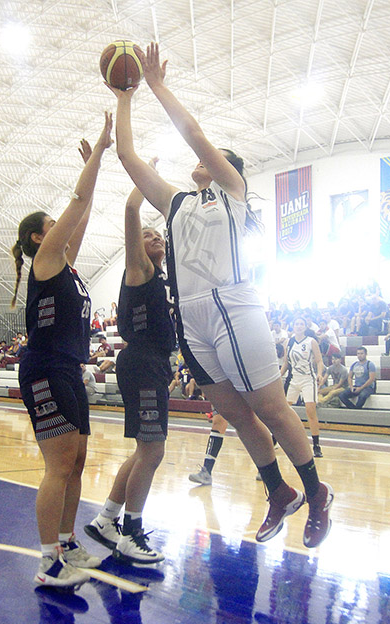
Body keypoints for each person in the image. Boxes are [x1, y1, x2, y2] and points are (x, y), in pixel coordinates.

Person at [111, 43, 332, 549]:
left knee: (273, 408)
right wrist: (125, 94)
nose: (198, 161)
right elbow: (126, 157)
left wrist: (158, 87)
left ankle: (317, 493)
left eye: (207, 158)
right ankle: (279, 491)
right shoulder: (175, 202)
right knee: (234, 413)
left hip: (233, 304)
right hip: (191, 318)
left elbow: (194, 133)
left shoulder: (230, 190)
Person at [13, 112, 112, 588]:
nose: (64, 229)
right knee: (58, 464)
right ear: (40, 237)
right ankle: (47, 560)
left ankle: (68, 544)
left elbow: (83, 207)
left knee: (77, 460)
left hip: (68, 367)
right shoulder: (47, 259)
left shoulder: (68, 264)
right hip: (44, 367)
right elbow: (77, 199)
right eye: (53, 226)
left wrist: (97, 170)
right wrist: (98, 153)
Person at [85, 173, 173, 565]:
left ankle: (107, 520)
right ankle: (131, 533)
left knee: (143, 451)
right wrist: (145, 173)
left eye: (160, 237)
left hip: (148, 363)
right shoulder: (139, 270)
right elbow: (131, 209)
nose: (157, 239)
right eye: (150, 235)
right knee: (153, 451)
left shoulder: (163, 277)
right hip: (143, 362)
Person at [280, 318, 326, 458]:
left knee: (310, 411)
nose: (299, 326)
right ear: (292, 326)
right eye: (296, 324)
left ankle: (316, 445)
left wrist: (319, 374)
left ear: (305, 327)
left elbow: (319, 361)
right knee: (283, 411)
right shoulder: (288, 342)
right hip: (293, 379)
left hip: (308, 379)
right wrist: (278, 376)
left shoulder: (311, 341)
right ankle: (276, 440)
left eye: (301, 324)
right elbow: (286, 363)